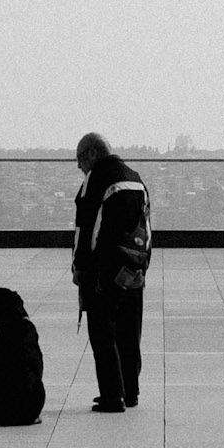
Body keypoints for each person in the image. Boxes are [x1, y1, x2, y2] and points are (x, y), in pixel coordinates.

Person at [72, 132, 151, 412]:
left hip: (104, 269)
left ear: (93, 154)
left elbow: (86, 229)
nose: (79, 166)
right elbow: (146, 227)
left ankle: (112, 395)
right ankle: (131, 391)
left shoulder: (96, 178)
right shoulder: (135, 177)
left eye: (80, 159)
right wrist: (142, 265)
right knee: (130, 331)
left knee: (103, 332)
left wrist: (80, 268)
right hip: (133, 268)